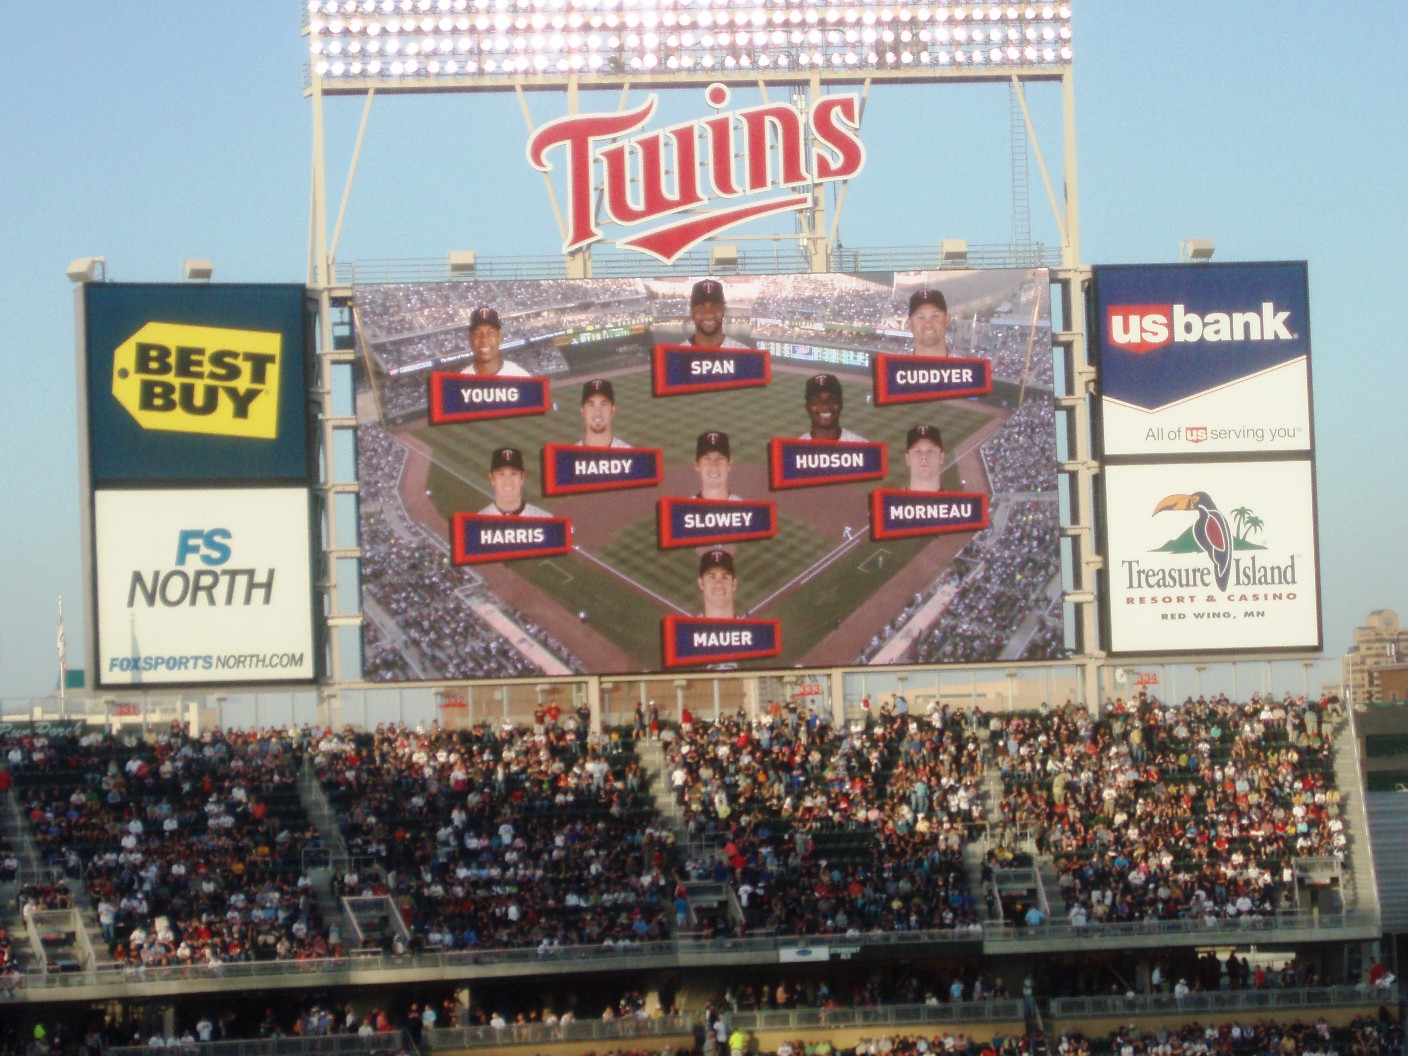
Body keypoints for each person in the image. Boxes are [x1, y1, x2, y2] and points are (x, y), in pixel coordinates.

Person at [478, 447, 550, 517]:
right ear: (492, 479)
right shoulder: (478, 522)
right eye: (501, 474)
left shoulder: (545, 519)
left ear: (522, 477)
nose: (508, 481)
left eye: (513, 474)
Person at [798, 372, 866, 442]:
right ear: (807, 407)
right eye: (817, 400)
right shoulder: (794, 449)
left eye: (832, 400)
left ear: (841, 404)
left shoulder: (863, 447)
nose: (825, 406)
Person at [462, 307, 529, 376]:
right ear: (470, 339)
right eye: (477, 334)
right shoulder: (459, 382)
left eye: (491, 333)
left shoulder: (521, 377)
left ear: (499, 338)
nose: (484, 339)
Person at [688, 279, 749, 348]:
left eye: (716, 307)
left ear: (724, 310)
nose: (709, 314)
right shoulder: (676, 355)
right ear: (692, 312)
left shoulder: (744, 355)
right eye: (700, 308)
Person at [904, 424, 966, 491]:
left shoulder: (957, 501)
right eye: (917, 451)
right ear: (907, 459)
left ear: (941, 457)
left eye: (930, 451)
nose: (924, 456)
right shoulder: (893, 501)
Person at [578, 378, 630, 448]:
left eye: (603, 404)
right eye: (591, 405)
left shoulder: (630, 455)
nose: (597, 412)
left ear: (613, 410)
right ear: (583, 412)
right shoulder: (569, 456)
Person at [694, 431, 741, 500]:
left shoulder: (744, 508)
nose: (714, 465)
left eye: (720, 458)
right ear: (697, 465)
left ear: (729, 464)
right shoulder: (685, 509)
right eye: (707, 458)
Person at [907, 288, 951, 357]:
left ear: (947, 320)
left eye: (935, 316)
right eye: (920, 317)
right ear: (909, 323)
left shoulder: (967, 366)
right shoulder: (893, 366)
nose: (928, 324)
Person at [698, 549, 738, 619]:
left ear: (734, 584)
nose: (719, 584)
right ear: (701, 583)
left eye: (725, 577)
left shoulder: (752, 629)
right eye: (712, 577)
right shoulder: (687, 629)